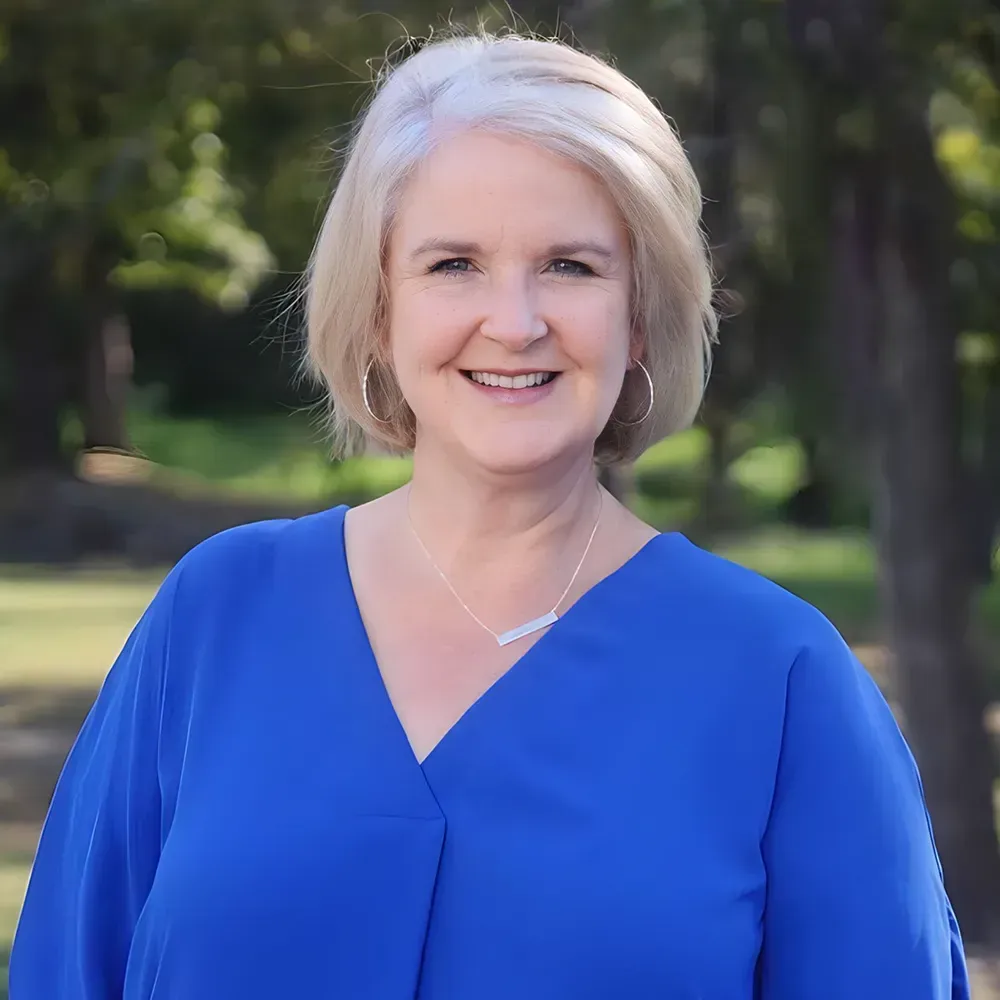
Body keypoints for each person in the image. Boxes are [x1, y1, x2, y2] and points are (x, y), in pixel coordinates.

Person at [10, 28, 969, 1000]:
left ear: (640, 315)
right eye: (453, 264)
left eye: (570, 265)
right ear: (380, 304)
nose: (513, 321)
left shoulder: (782, 682)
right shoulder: (215, 617)